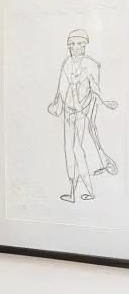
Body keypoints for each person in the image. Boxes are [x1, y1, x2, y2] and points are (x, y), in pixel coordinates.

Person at [47, 29, 118, 202]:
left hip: (81, 114)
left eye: (79, 43)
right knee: (68, 151)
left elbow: (95, 89)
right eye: (71, 44)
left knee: (79, 150)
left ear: (85, 44)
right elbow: (61, 88)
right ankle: (72, 193)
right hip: (68, 113)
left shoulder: (92, 65)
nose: (75, 47)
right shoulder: (66, 63)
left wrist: (104, 102)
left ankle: (90, 190)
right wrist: (58, 104)